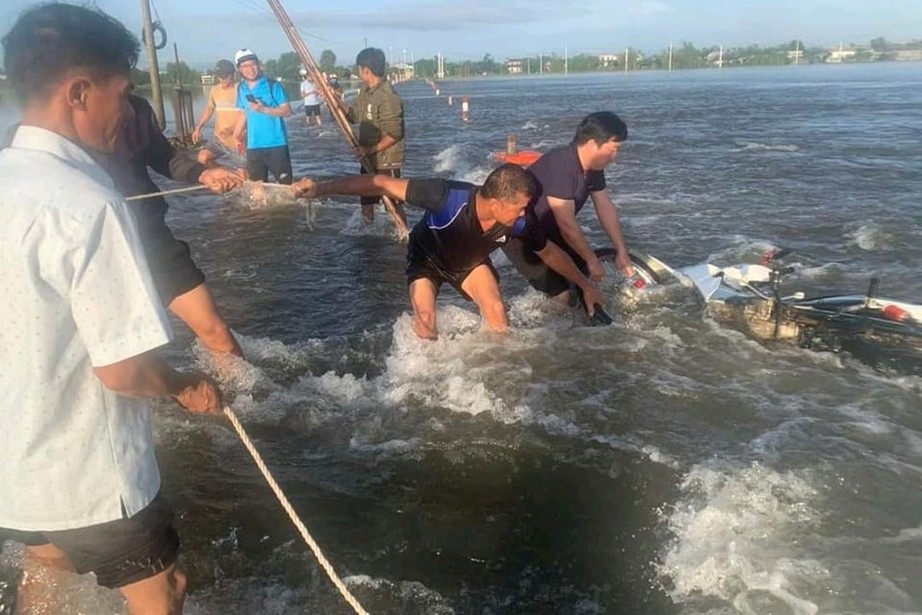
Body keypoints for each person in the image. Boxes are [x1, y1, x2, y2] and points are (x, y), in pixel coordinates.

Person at [0, 5, 223, 614]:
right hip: (92, 475)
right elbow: (122, 371)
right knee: (164, 590)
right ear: (79, 92)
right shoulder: (87, 202)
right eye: (121, 95)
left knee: (45, 571)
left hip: (15, 469)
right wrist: (183, 384)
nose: (127, 115)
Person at [292, 164, 606, 340]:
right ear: (494, 203)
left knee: (497, 312)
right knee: (427, 323)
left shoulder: (518, 224)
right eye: (519, 209)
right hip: (426, 260)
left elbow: (551, 254)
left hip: (468, 264)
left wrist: (586, 285)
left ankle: (498, 378)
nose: (524, 216)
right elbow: (380, 183)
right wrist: (321, 188)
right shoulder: (446, 196)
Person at [93, 93, 246, 358]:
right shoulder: (47, 131)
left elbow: (165, 157)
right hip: (97, 248)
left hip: (152, 237)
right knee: (122, 352)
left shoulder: (137, 107)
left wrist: (203, 173)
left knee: (217, 333)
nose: (126, 110)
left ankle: (243, 398)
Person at [502, 111, 636, 303]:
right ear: (592, 144)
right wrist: (591, 259)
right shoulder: (562, 164)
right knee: (564, 297)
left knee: (587, 280)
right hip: (521, 234)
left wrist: (621, 250)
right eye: (613, 149)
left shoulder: (593, 169)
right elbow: (566, 223)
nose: (616, 156)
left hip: (551, 230)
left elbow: (605, 206)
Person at [347, 47, 407, 224]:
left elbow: (394, 134)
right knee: (366, 201)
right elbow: (354, 116)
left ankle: (405, 237)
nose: (358, 73)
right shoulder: (366, 92)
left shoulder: (388, 97)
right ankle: (368, 236)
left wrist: (370, 149)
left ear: (366, 70)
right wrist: (335, 102)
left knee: (393, 205)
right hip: (368, 158)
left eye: (359, 69)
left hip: (386, 160)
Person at [231, 48, 293, 184]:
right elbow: (243, 111)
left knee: (286, 187)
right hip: (253, 145)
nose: (250, 69)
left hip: (276, 144)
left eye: (253, 64)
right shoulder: (241, 88)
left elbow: (287, 111)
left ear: (258, 65)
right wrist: (236, 135)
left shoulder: (273, 85)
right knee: (257, 189)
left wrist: (264, 109)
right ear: (239, 69)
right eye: (245, 66)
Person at [191, 58, 247, 172]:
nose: (222, 79)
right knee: (203, 158)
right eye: (220, 76)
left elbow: (250, 113)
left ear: (233, 75)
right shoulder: (215, 90)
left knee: (244, 176)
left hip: (238, 141)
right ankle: (227, 174)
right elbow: (209, 109)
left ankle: (241, 177)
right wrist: (198, 127)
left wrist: (233, 129)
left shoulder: (242, 90)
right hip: (219, 139)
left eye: (225, 76)